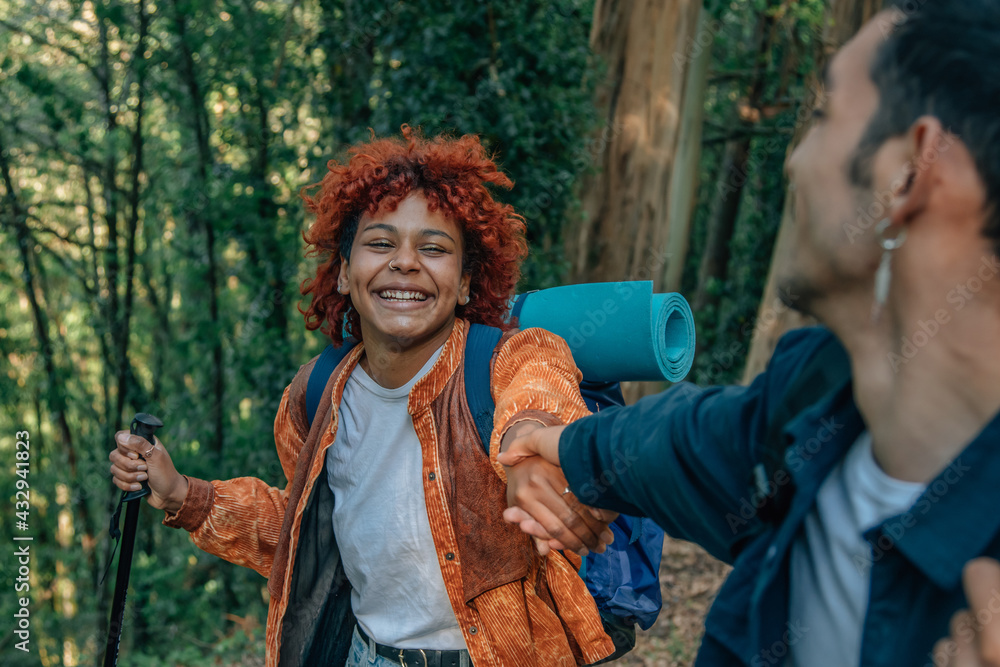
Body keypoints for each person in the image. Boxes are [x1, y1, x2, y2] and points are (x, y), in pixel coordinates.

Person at [498, 1, 1000, 666]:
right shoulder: (807, 405)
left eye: (822, 118)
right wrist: (558, 448)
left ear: (907, 173)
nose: (793, 162)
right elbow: (679, 440)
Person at [109, 127, 618, 667]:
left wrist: (529, 448)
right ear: (346, 274)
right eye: (380, 243)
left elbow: (539, 394)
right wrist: (183, 494)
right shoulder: (315, 394)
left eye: (434, 248)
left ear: (466, 283)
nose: (405, 262)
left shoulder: (507, 361)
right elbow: (300, 529)